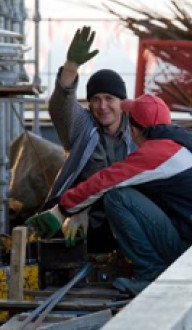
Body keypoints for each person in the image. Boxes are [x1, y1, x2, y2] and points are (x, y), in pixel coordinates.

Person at [27, 94, 192, 295]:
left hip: (189, 252)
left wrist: (61, 210)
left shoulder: (155, 154)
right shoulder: (177, 146)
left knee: (118, 197)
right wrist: (82, 211)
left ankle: (151, 273)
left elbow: (105, 180)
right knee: (124, 193)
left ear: (135, 130)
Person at [41, 26, 136, 252]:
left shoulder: (137, 132)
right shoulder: (84, 127)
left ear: (122, 102)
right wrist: (71, 67)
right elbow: (60, 105)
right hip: (75, 219)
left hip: (123, 219)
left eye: (109, 98)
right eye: (95, 99)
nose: (102, 106)